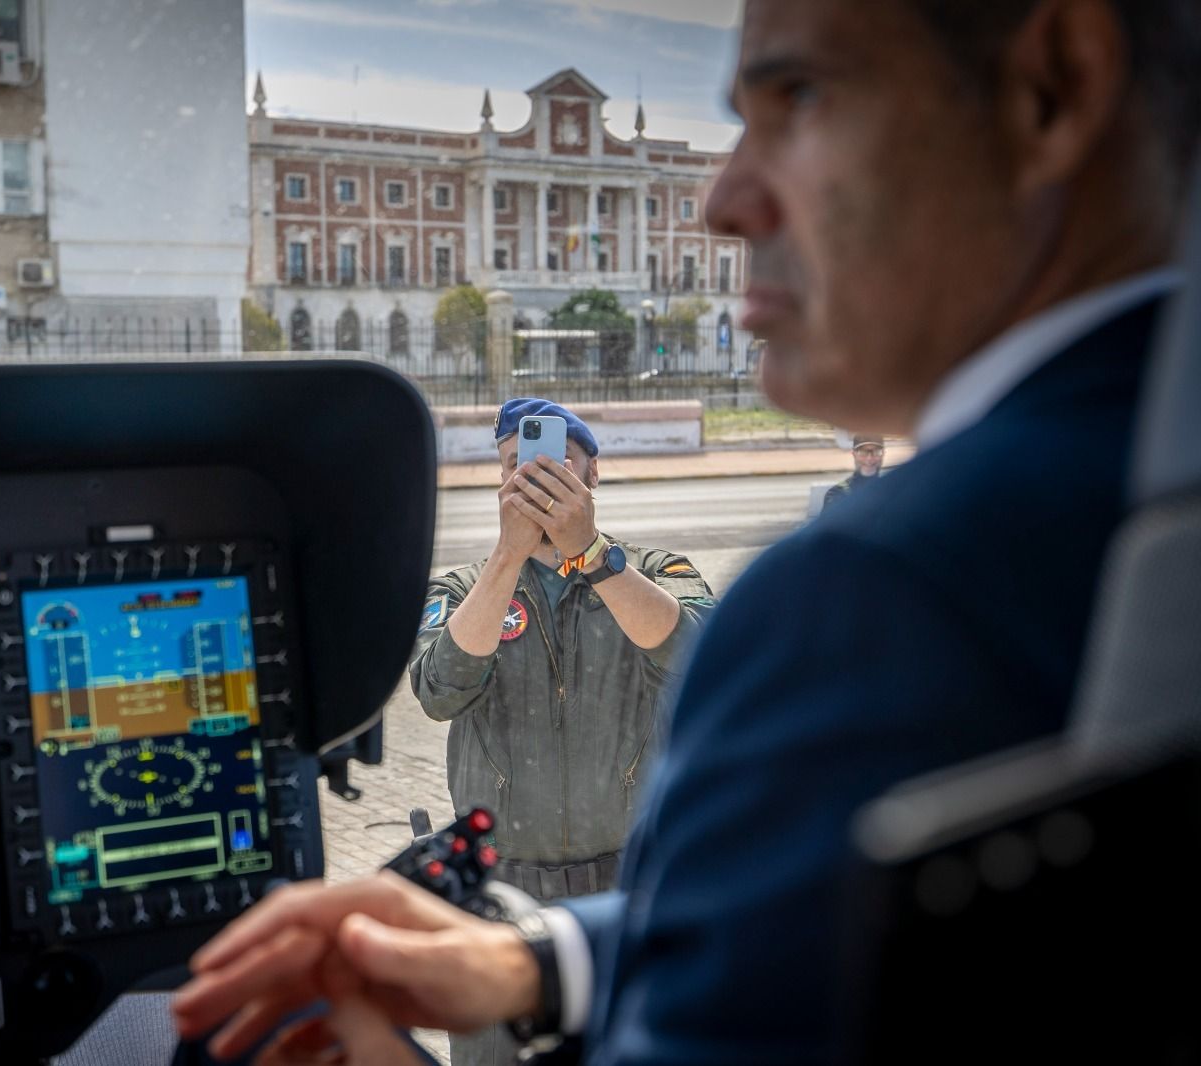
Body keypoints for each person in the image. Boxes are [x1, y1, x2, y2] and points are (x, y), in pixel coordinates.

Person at [172, 1, 1200, 1062]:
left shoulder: (871, 590)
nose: (720, 201)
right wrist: (539, 965)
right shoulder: (1134, 477)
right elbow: (817, 932)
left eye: (797, 98)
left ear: (1053, 86)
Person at [412, 398, 714, 1065]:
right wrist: (506, 560)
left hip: (626, 890)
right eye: (515, 467)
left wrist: (593, 558)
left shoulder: (658, 572)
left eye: (555, 465)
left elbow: (700, 661)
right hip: (497, 897)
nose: (533, 482)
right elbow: (437, 690)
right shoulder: (466, 587)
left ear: (592, 475)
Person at [822, 434, 886, 509]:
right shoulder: (837, 493)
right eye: (862, 452)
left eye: (876, 452)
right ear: (854, 454)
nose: (869, 458)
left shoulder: (893, 490)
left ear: (883, 454)